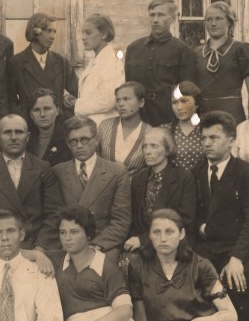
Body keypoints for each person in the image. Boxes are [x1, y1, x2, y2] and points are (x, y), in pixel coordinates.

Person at [48, 207, 177, 321]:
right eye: (63, 232)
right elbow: (21, 253)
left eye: (74, 232)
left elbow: (125, 310)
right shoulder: (57, 259)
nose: (67, 238)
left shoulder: (104, 265)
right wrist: (37, 255)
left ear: (89, 235)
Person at [192, 111, 249, 321]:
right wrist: (201, 228)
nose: (207, 143)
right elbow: (190, 216)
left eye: (214, 138)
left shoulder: (247, 173)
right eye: (203, 138)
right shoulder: (195, 173)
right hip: (205, 248)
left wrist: (237, 257)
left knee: (238, 279)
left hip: (237, 248)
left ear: (231, 141)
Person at [0, 114, 64, 260]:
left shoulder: (43, 169)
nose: (13, 137)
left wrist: (39, 250)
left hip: (35, 247)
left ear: (28, 137)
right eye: (7, 132)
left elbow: (54, 214)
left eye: (19, 132)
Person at [52, 116, 131, 254]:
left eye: (84, 139)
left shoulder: (116, 172)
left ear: (96, 140)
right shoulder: (58, 172)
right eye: (74, 141)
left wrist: (95, 247)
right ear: (68, 144)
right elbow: (53, 218)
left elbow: (121, 222)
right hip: (66, 245)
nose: (79, 146)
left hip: (103, 246)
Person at [124, 0, 196, 126]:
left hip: (167, 116)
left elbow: (186, 92)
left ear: (172, 18)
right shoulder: (134, 48)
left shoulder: (182, 50)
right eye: (152, 15)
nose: (155, 20)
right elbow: (128, 86)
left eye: (161, 15)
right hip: (138, 115)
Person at [125, 128, 196, 253]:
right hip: (140, 247)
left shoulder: (184, 178)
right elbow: (133, 220)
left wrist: (144, 239)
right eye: (145, 146)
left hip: (172, 245)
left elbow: (185, 221)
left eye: (154, 146)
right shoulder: (138, 179)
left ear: (168, 150)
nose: (147, 151)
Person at [194, 2, 249, 124]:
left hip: (231, 115)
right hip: (203, 116)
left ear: (229, 22)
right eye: (209, 19)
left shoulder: (241, 49)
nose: (213, 23)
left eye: (219, 19)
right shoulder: (197, 52)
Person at [7, 12, 78, 117]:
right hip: (29, 122)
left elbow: (76, 93)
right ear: (35, 32)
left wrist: (65, 117)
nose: (53, 36)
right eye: (48, 31)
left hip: (57, 122)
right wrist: (22, 120)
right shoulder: (17, 62)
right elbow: (11, 99)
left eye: (54, 32)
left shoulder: (61, 62)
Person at [74, 14, 123, 126]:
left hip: (104, 126)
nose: (83, 37)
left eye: (88, 33)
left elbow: (107, 101)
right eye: (83, 33)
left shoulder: (111, 62)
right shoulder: (95, 60)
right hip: (91, 124)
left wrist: (76, 104)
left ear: (103, 34)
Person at [97, 82, 153, 179]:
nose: (121, 104)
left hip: (134, 187)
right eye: (118, 100)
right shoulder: (104, 126)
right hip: (103, 185)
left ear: (141, 102)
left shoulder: (150, 132)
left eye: (126, 99)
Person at [25, 88, 72, 167]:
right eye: (36, 110)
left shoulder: (68, 138)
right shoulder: (26, 140)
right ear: (31, 115)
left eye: (47, 109)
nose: (42, 114)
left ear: (57, 111)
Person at [169, 81, 204, 171]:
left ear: (197, 103)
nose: (179, 107)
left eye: (184, 101)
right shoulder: (165, 130)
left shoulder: (207, 129)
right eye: (174, 102)